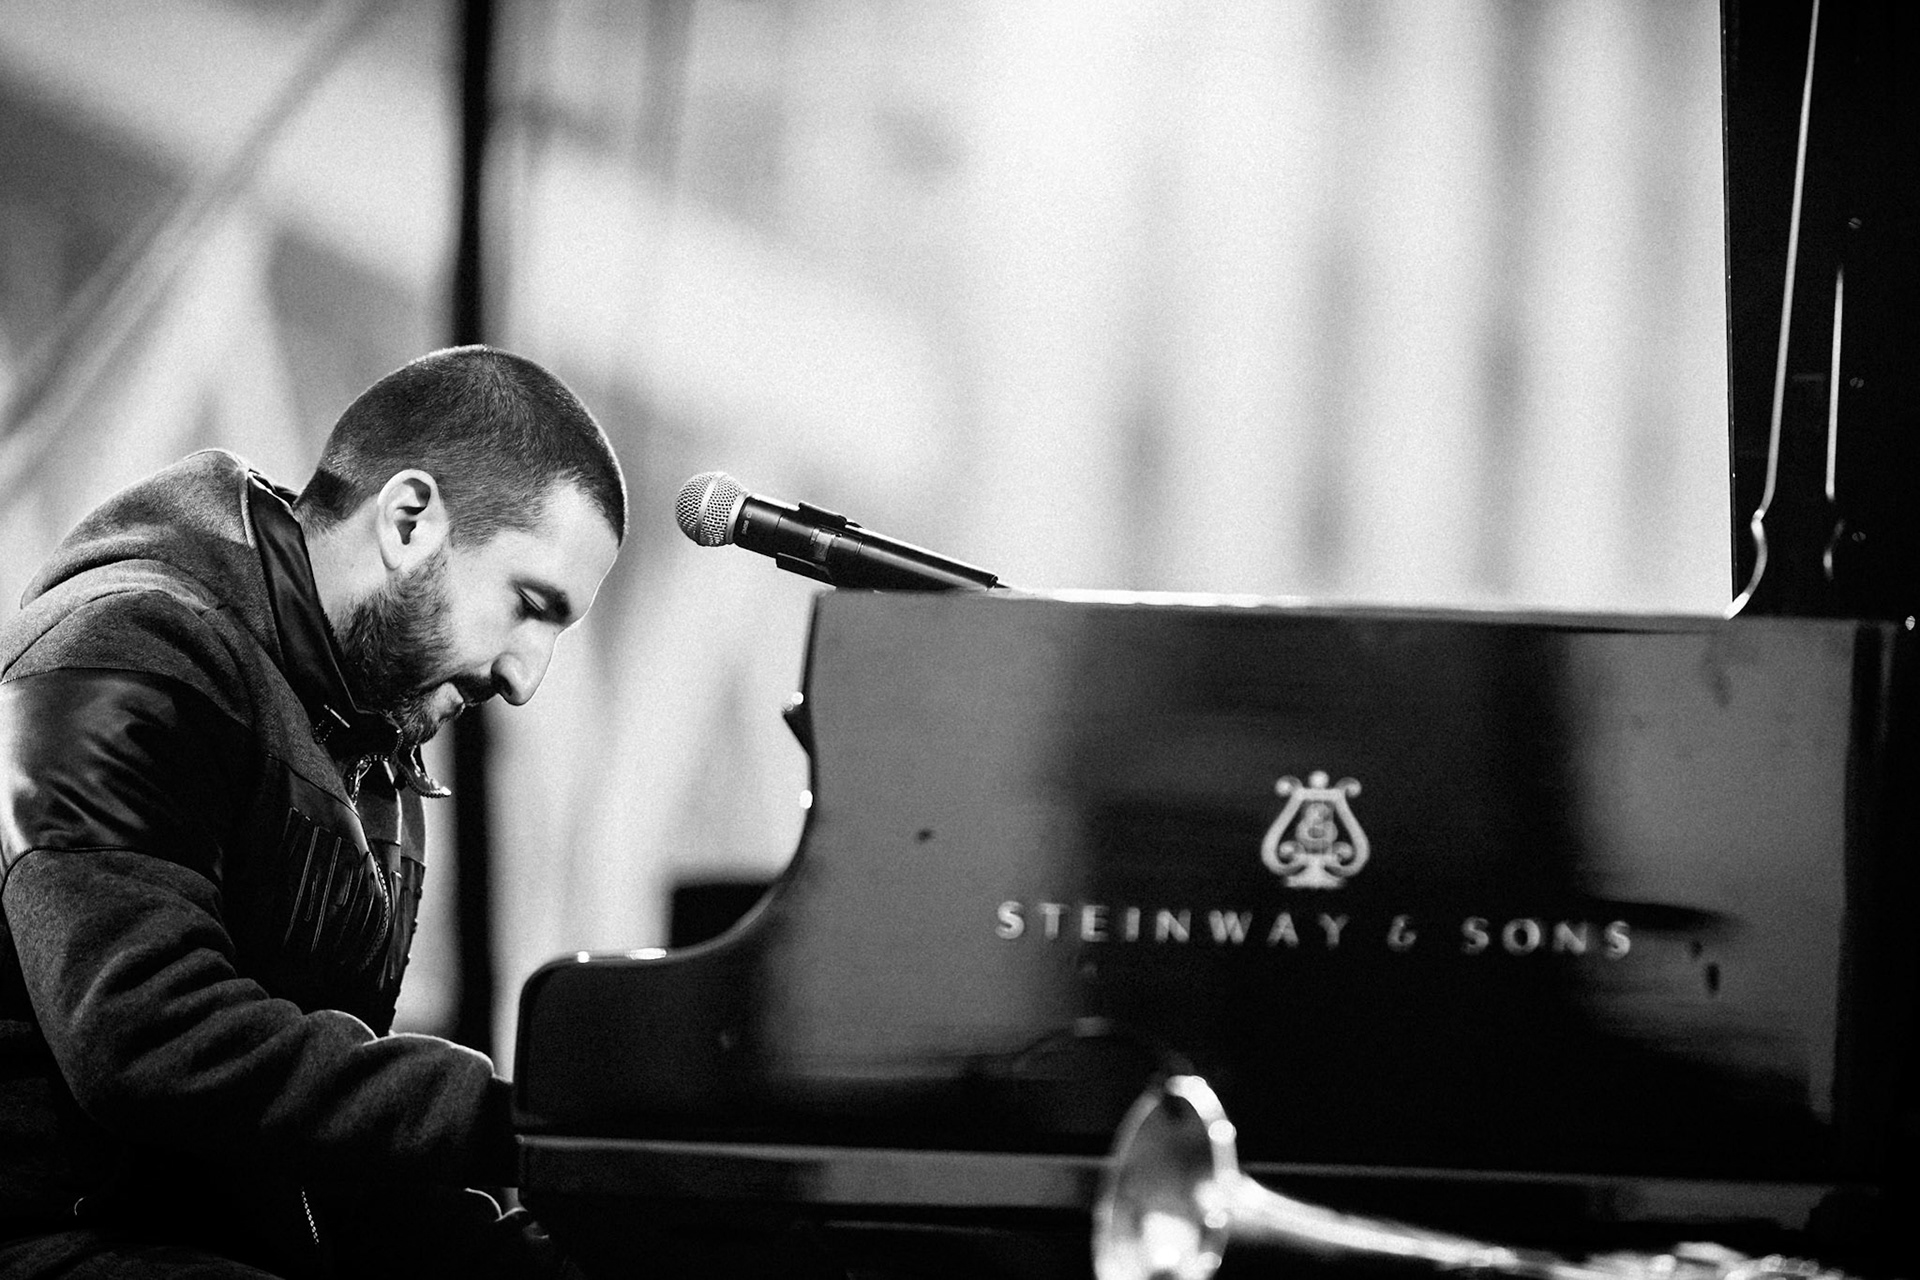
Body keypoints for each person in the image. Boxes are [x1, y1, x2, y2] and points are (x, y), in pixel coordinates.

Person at [0, 346, 624, 1278]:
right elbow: (145, 1037)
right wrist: (513, 1118)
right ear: (410, 520)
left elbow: (321, 1152)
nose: (527, 678)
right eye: (528, 606)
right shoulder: (128, 644)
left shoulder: (376, 753)